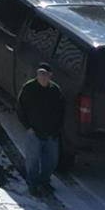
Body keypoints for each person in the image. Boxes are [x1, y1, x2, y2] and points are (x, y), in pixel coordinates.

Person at [17, 65, 66, 195]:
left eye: (45, 74)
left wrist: (58, 129)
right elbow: (20, 108)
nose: (42, 76)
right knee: (32, 160)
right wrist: (28, 127)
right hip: (34, 132)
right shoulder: (28, 88)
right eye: (40, 73)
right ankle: (32, 184)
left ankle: (45, 181)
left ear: (50, 75)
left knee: (51, 161)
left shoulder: (55, 90)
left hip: (52, 133)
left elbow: (62, 110)